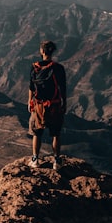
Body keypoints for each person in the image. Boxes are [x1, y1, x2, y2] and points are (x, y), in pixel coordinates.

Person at [28, 40, 66, 170]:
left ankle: (35, 159)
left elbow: (31, 87)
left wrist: (30, 102)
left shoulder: (35, 67)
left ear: (42, 51)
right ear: (52, 51)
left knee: (36, 132)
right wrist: (63, 103)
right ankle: (57, 161)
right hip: (55, 105)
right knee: (56, 133)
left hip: (38, 105)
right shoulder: (58, 68)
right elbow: (63, 88)